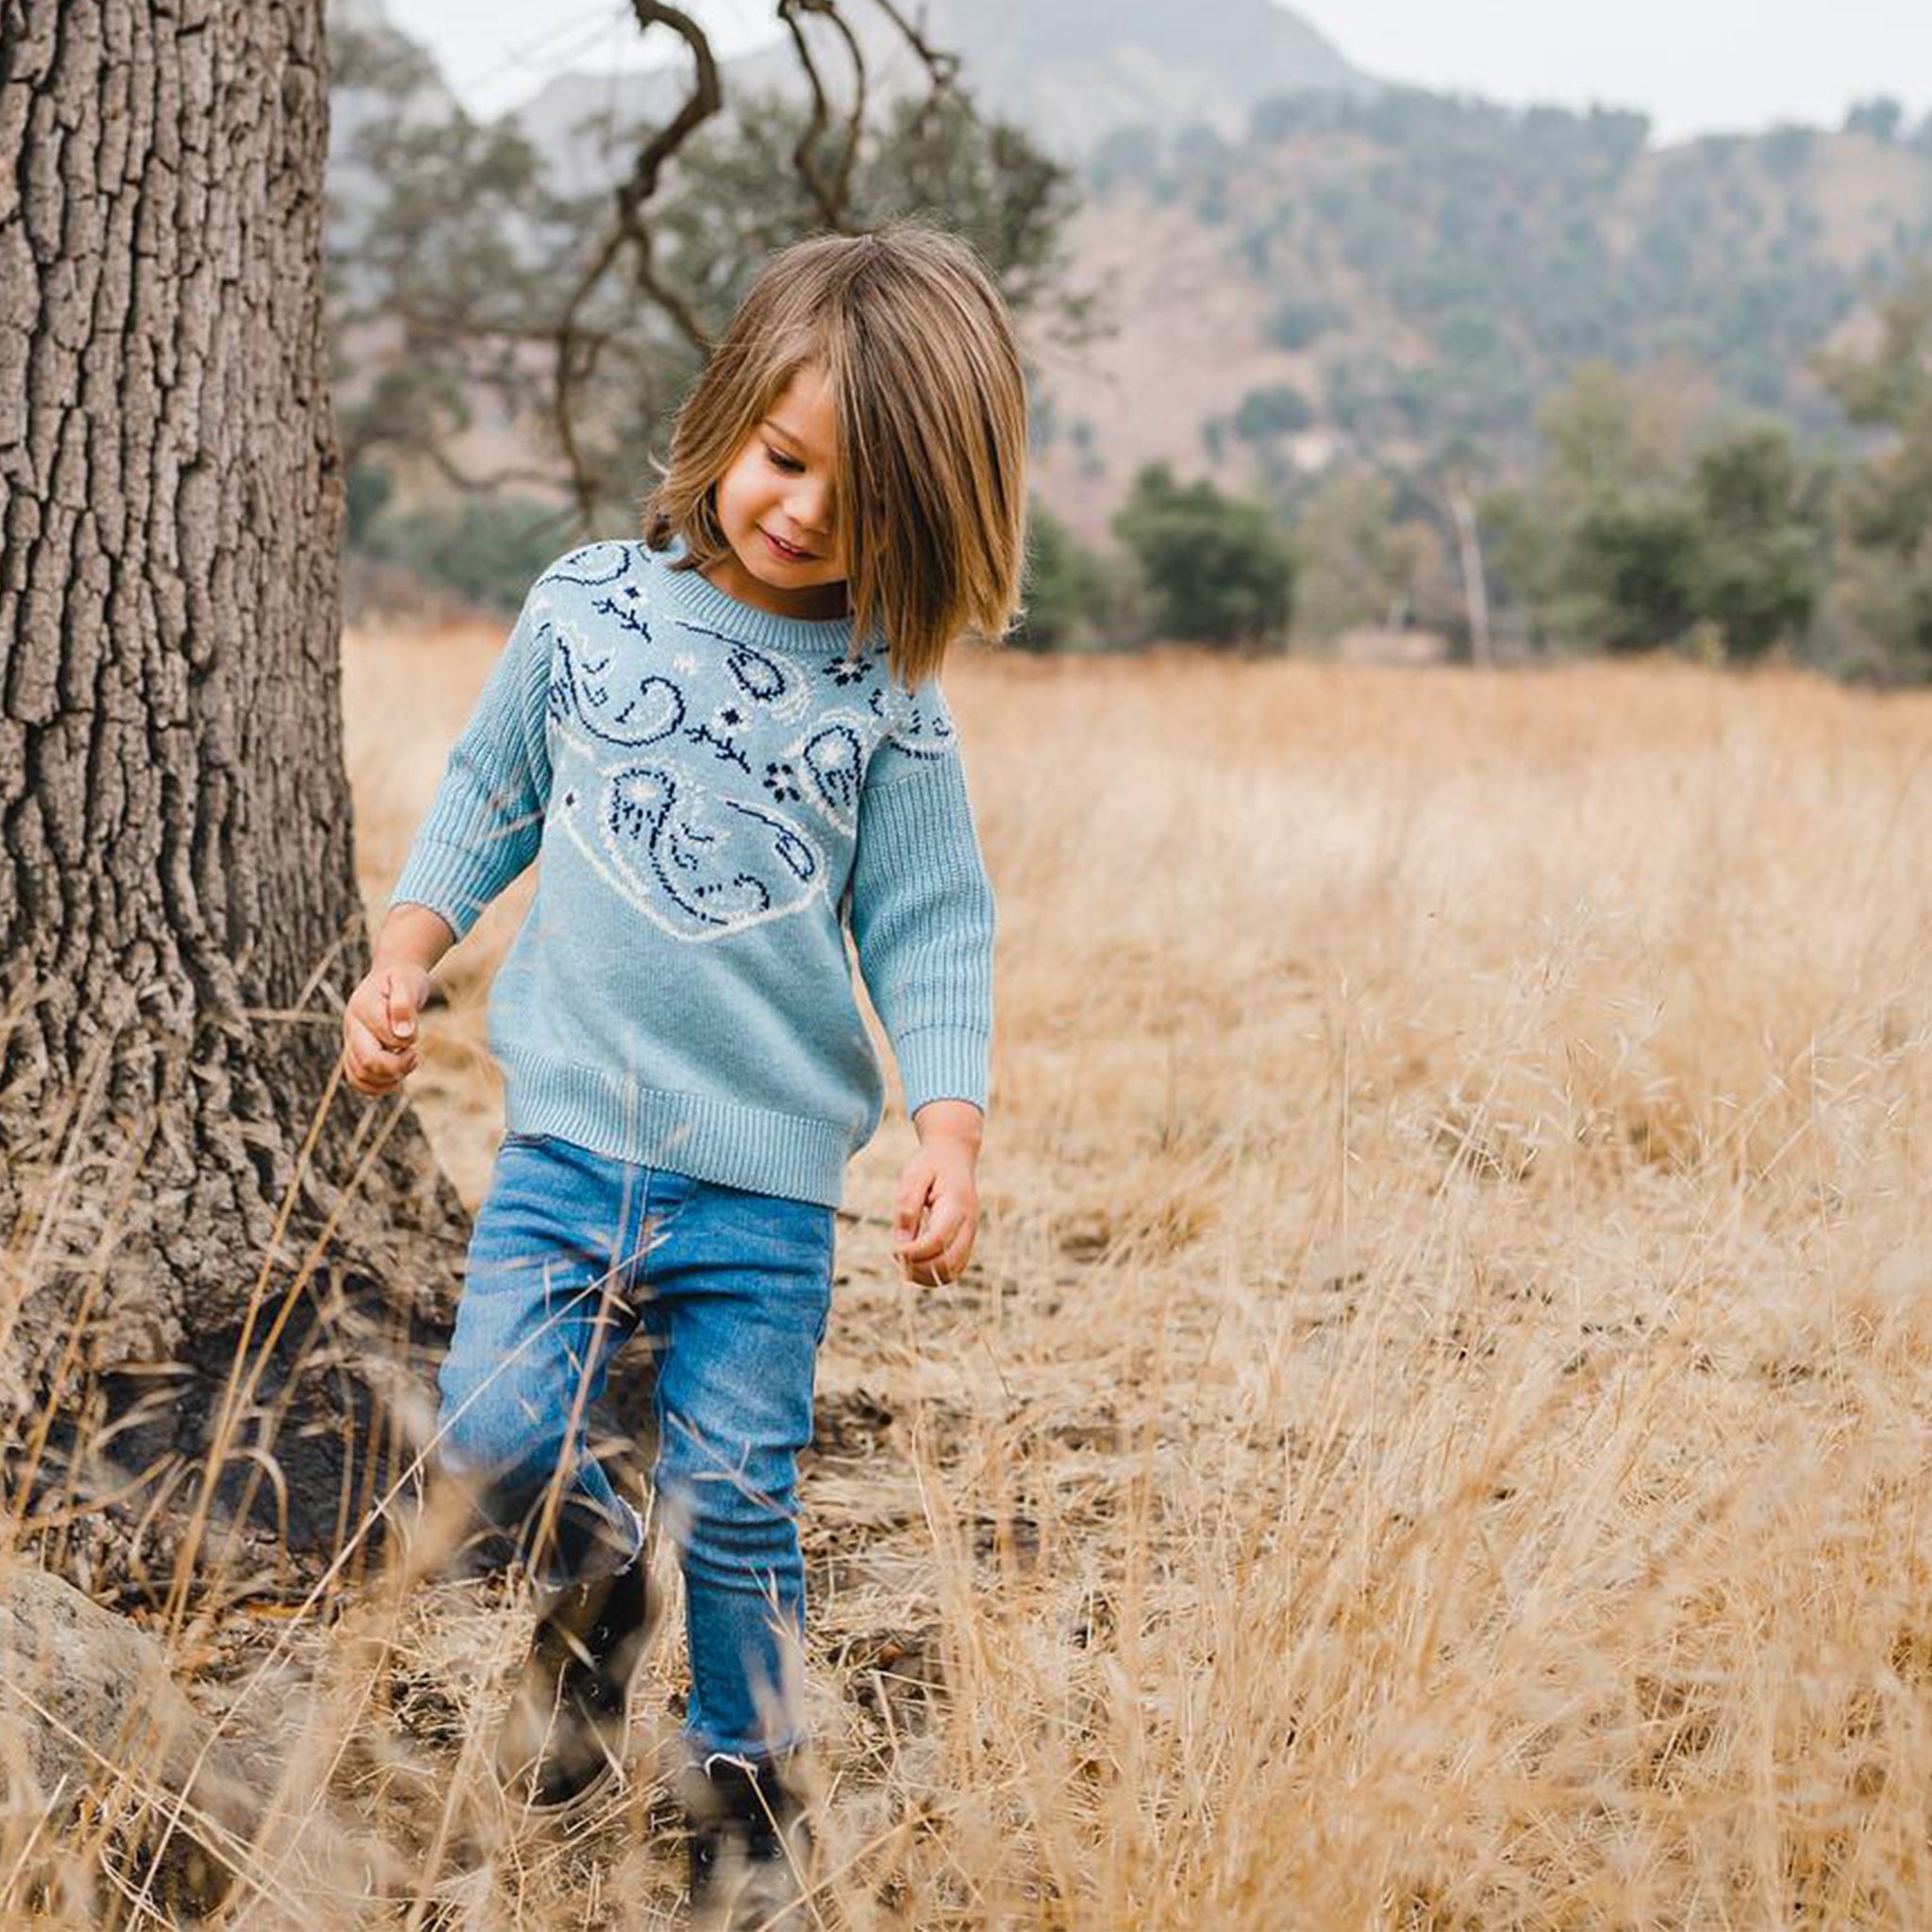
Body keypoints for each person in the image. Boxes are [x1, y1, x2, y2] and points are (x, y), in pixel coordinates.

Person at [340, 223, 1025, 1926]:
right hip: (566, 1150)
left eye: (861, 503)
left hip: (768, 1192)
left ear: (928, 521)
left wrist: (950, 1123)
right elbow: (491, 790)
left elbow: (932, 923)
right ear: (730, 415)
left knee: (738, 1502)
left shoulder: (890, 701)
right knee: (501, 1437)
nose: (803, 515)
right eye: (787, 462)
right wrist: (406, 952)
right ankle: (587, 1619)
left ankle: (746, 1795)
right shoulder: (587, 608)